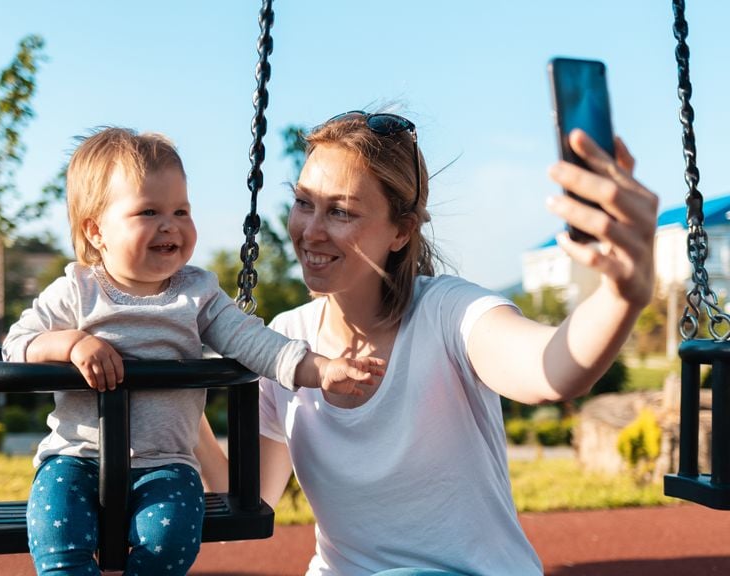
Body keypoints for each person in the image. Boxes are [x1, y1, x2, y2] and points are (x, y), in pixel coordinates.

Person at [197, 110, 658, 576]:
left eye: (340, 211)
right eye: (303, 202)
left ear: (401, 231)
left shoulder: (448, 314)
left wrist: (620, 296)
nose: (310, 231)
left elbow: (551, 367)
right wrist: (175, 395)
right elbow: (248, 497)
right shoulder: (286, 340)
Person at [2, 127, 385, 576]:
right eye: (149, 211)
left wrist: (321, 369)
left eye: (181, 210)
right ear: (96, 230)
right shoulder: (75, 291)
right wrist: (70, 343)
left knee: (169, 539)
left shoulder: (197, 294)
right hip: (76, 456)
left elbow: (253, 341)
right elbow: (16, 345)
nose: (171, 225)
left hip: (166, 463)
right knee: (55, 530)